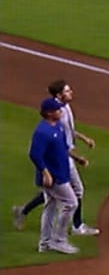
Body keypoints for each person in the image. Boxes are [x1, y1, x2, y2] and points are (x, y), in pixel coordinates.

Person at [13, 80, 100, 237]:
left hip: (65, 156)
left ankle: (23, 210)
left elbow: (68, 130)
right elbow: (58, 141)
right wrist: (76, 157)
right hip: (62, 158)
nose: (71, 92)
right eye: (67, 91)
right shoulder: (57, 112)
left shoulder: (63, 108)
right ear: (59, 95)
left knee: (54, 192)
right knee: (75, 190)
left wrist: (83, 138)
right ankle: (75, 227)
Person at [29, 98, 79, 255]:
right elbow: (35, 155)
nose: (61, 111)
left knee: (50, 207)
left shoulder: (58, 126)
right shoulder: (42, 131)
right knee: (71, 203)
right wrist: (46, 173)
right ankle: (59, 240)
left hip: (61, 172)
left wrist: (78, 158)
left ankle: (44, 244)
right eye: (58, 110)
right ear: (49, 113)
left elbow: (63, 148)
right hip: (54, 177)